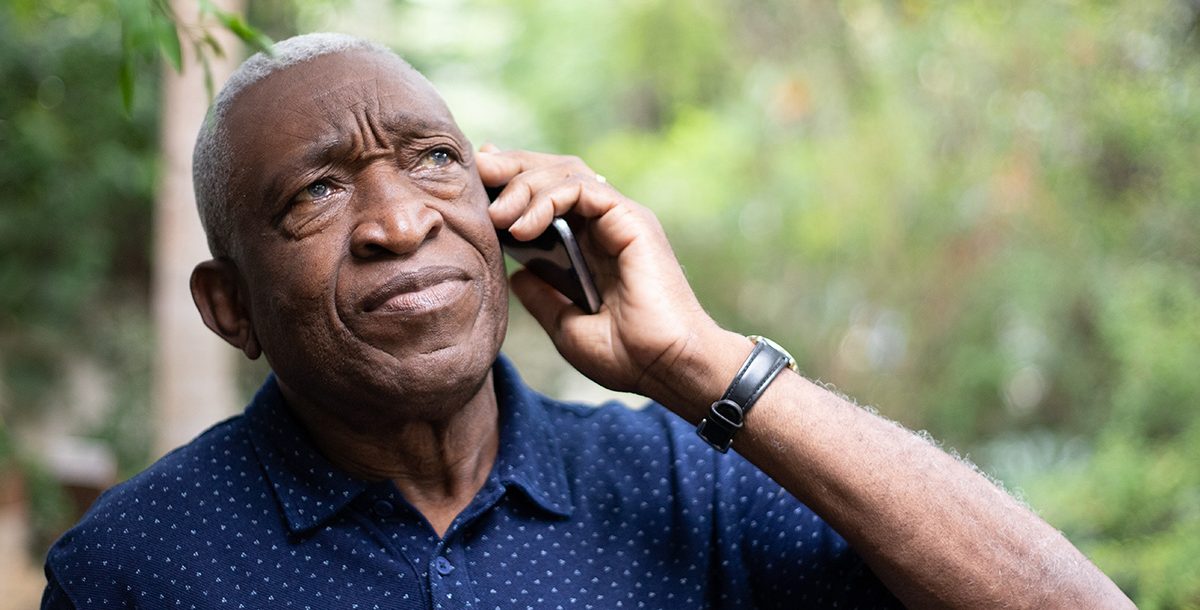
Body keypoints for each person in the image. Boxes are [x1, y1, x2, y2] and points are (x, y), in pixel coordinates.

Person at [42, 33, 1132, 609]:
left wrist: (701, 363)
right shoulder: (133, 571)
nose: (398, 222)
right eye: (315, 194)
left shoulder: (688, 484)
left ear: (506, 210)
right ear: (232, 307)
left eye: (434, 160)